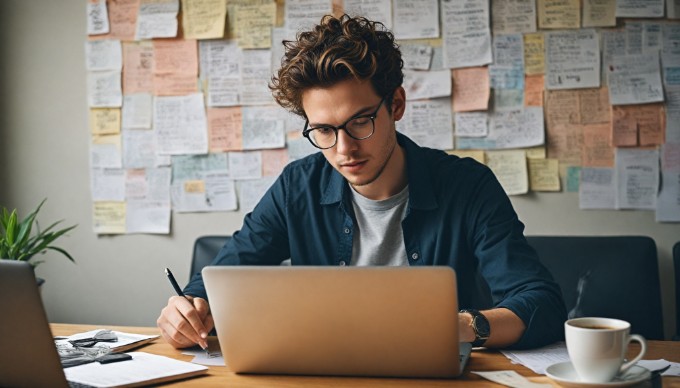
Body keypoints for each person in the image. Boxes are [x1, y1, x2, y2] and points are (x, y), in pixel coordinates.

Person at [157, 14, 566, 351]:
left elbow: (541, 304)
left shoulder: (468, 186)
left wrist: (458, 326)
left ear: (397, 105)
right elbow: (220, 276)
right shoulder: (297, 187)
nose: (343, 149)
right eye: (323, 130)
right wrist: (187, 308)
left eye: (360, 122)